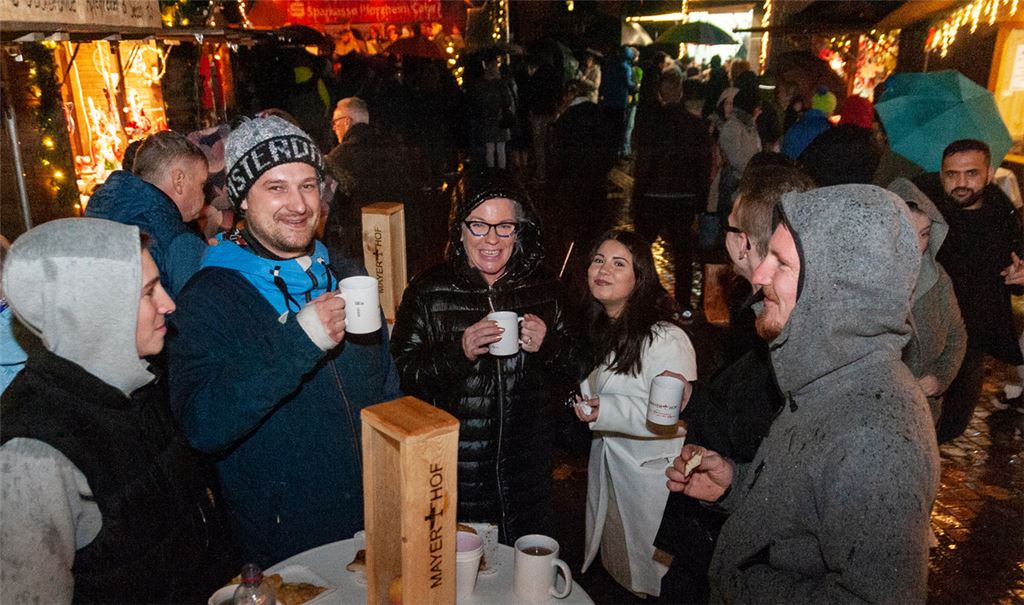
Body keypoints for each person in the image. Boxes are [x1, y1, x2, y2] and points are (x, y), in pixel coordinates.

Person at [668, 184, 940, 602]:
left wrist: (744, 584)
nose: (759, 275)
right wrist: (734, 486)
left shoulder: (876, 439)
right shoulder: (824, 380)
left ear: (837, 288)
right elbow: (807, 510)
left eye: (781, 263)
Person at [168, 116, 402, 566]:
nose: (298, 204)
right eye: (276, 187)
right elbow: (202, 425)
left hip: (376, 522)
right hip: (290, 547)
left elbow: (385, 387)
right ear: (242, 198)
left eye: (308, 185)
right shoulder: (210, 297)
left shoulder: (346, 273)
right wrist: (299, 341)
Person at [1, 218, 232, 603]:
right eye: (149, 292)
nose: (168, 304)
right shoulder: (29, 454)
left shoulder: (141, 387)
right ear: (97, 309)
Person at [654, 162, 813, 604]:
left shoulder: (777, 325)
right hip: (718, 512)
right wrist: (695, 397)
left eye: (728, 226)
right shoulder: (759, 310)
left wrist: (703, 413)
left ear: (742, 242)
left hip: (735, 539)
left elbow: (750, 429)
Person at [390, 171, 575, 544]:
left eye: (504, 226)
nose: (492, 239)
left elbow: (579, 368)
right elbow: (400, 374)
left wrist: (550, 346)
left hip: (528, 475)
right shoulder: (428, 290)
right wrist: (458, 352)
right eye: (479, 225)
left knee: (526, 572)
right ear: (459, 230)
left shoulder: (546, 288)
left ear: (519, 231)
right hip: (455, 475)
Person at [572, 230, 697, 598]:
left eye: (618, 263)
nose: (603, 270)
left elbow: (670, 414)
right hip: (611, 477)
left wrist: (606, 410)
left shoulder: (665, 338)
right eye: (598, 260)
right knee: (618, 578)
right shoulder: (602, 330)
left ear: (639, 278)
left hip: (649, 485)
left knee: (649, 584)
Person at [914, 139, 1024, 441]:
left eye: (971, 173)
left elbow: (1014, 264)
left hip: (974, 337)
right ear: (941, 174)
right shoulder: (924, 205)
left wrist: (1018, 278)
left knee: (954, 423)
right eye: (952, 174)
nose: (961, 183)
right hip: (928, 333)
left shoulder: (1002, 212)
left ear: (988, 174)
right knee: (919, 421)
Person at [84, 130, 209, 297]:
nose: (204, 196)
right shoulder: (180, 241)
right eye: (201, 185)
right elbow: (200, 308)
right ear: (179, 180)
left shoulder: (102, 211)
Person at [632, 66, 713, 316]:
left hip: (653, 195)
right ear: (680, 93)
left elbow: (643, 163)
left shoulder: (650, 124)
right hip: (683, 198)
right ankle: (684, 304)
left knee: (641, 249)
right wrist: (699, 202)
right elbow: (703, 167)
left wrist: (639, 194)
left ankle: (645, 296)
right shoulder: (695, 126)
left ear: (660, 93)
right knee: (683, 254)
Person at [888, 177, 967, 425]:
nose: (917, 246)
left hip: (923, 415)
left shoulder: (937, 278)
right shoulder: (862, 282)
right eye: (907, 234)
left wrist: (939, 377)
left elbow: (956, 335)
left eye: (924, 234)